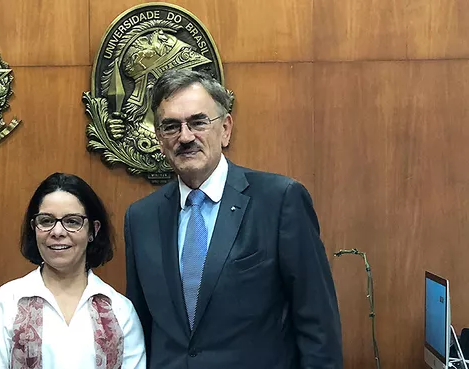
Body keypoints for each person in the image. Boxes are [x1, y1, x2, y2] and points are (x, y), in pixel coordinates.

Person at [124, 69, 343, 368]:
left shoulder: (279, 201)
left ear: (225, 129)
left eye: (198, 122)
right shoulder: (141, 219)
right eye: (171, 126)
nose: (185, 137)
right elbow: (141, 329)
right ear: (160, 139)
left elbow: (317, 324)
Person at [0, 173, 146, 369]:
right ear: (34, 228)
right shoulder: (4, 304)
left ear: (93, 231)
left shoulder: (120, 311)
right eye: (46, 221)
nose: (57, 232)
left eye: (72, 221)